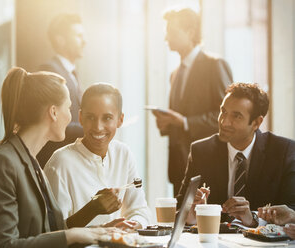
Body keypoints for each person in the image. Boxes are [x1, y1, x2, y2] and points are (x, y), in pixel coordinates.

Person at [0, 68, 115, 247]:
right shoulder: (2, 163)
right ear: (53, 112)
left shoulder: (31, 162)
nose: (71, 116)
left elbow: (48, 233)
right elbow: (4, 244)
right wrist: (71, 236)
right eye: (68, 107)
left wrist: (98, 230)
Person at [178, 83, 295, 227]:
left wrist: (253, 218)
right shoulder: (201, 151)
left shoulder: (283, 151)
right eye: (223, 111)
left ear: (256, 123)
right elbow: (179, 207)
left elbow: (292, 210)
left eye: (236, 116)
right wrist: (191, 214)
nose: (224, 121)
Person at [45, 83, 151, 229]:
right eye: (90, 117)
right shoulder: (60, 163)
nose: (98, 127)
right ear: (80, 117)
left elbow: (139, 210)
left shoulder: (123, 154)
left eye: (107, 118)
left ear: (120, 120)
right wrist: (93, 212)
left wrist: (131, 226)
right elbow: (54, 232)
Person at [152, 8, 232, 194]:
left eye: (171, 32)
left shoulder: (214, 66)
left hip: (208, 165)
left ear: (189, 32)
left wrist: (185, 122)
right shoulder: (175, 73)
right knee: (181, 221)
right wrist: (167, 123)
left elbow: (227, 118)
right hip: (179, 167)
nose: (166, 38)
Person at [37, 13, 86, 167]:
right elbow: (52, 119)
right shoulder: (50, 70)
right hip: (55, 161)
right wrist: (92, 127)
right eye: (78, 36)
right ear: (60, 40)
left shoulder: (72, 73)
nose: (85, 41)